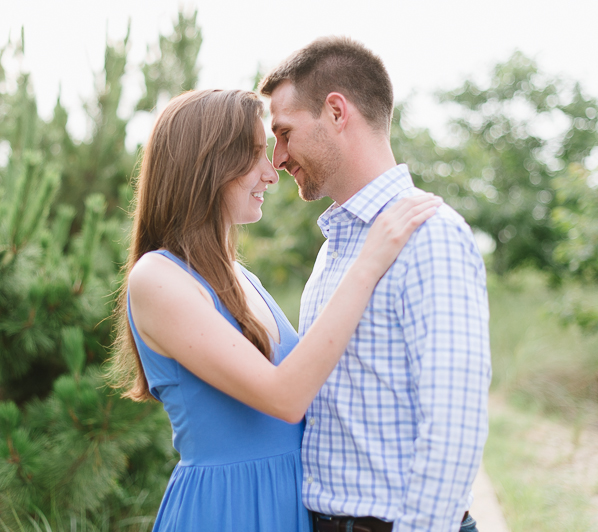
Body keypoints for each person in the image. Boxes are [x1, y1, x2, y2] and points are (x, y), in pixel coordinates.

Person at [110, 89, 442, 532]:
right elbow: (284, 397)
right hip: (228, 511)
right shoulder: (157, 277)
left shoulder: (242, 278)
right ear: (207, 164)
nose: (272, 172)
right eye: (254, 155)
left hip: (290, 504)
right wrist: (368, 264)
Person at [258, 37, 492, 532]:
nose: (277, 157)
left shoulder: (430, 236)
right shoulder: (332, 251)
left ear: (336, 112)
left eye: (284, 132)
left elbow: (454, 425)